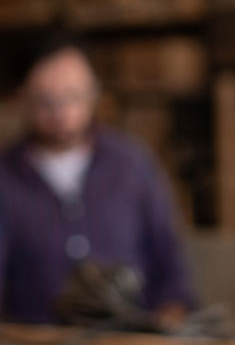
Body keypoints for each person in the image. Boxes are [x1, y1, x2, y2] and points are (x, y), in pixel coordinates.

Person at [0, 29, 194, 326]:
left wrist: (169, 323)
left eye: (72, 96)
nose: (61, 112)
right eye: (45, 101)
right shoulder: (7, 177)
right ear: (22, 97)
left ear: (94, 93)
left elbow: (170, 268)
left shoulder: (132, 165)